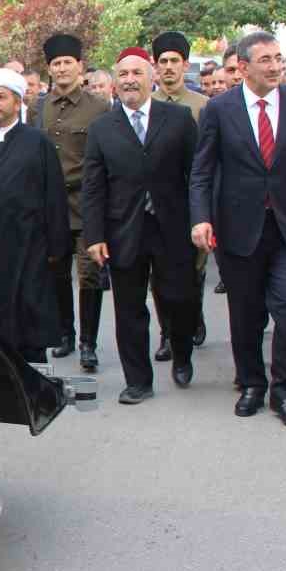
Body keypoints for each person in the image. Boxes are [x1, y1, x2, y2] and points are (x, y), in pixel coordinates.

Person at [190, 30, 286, 429]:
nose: (275, 66)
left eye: (278, 58)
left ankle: (283, 389)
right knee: (245, 312)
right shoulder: (220, 109)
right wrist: (201, 217)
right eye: (265, 60)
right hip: (238, 227)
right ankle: (251, 382)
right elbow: (202, 170)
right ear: (245, 67)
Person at [84, 47, 200, 401]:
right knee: (129, 308)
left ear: (151, 77)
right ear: (115, 84)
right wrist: (95, 236)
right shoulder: (102, 128)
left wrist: (201, 221)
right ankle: (138, 381)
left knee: (179, 300)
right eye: (123, 75)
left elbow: (196, 175)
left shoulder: (178, 118)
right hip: (124, 231)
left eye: (137, 73)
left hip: (173, 227)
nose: (130, 80)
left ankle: (182, 354)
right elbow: (94, 186)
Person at [0, 68, 70, 360]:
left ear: (17, 103)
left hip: (31, 242)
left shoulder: (37, 142)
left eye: (1, 97)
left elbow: (54, 195)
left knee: (31, 307)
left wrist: (57, 246)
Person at [38, 33, 109, 369]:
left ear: (80, 67)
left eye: (68, 62)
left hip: (87, 204)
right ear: (49, 69)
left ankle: (88, 343)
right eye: (56, 64)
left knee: (90, 274)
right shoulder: (38, 108)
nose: (62, 68)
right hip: (50, 206)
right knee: (56, 273)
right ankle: (65, 333)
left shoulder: (99, 108)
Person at [150, 30, 207, 359]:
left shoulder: (202, 106)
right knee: (159, 276)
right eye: (163, 62)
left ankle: (190, 318)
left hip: (192, 204)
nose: (168, 67)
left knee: (193, 271)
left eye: (175, 61)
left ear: (185, 65)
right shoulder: (147, 103)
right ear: (155, 67)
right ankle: (168, 332)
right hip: (156, 206)